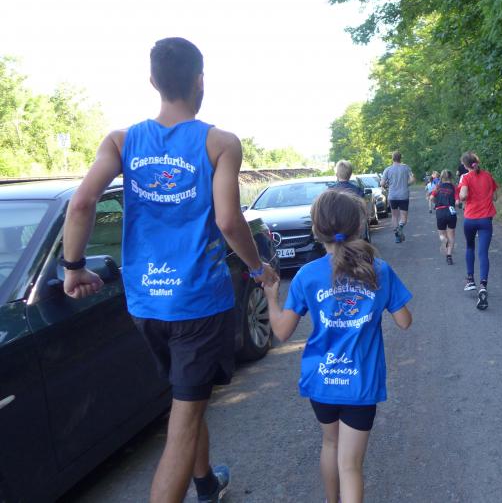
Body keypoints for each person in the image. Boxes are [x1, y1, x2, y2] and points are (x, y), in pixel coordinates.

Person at [61, 37, 277, 503]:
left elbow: (81, 203)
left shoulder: (121, 141)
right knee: (183, 422)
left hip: (146, 304)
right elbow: (228, 220)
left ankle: (207, 484)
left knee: (186, 400)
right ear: (200, 81)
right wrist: (257, 267)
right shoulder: (220, 143)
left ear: (153, 81)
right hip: (198, 303)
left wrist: (72, 267)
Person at [264, 189, 413, 503]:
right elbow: (404, 321)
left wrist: (271, 297)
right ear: (358, 226)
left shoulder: (306, 276)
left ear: (316, 229)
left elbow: (281, 331)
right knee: (351, 465)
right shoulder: (379, 270)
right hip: (361, 384)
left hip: (322, 381)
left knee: (330, 445)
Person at [456, 151, 498, 310]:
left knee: (470, 247)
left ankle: (470, 280)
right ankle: (483, 286)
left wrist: (462, 198)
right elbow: (495, 197)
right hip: (486, 219)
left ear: (465, 165)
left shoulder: (465, 177)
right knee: (483, 253)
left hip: (470, 219)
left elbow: (463, 196)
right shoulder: (488, 176)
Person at [380, 151, 415, 244]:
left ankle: (397, 236)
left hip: (392, 196)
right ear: (400, 158)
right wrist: (406, 184)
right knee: (404, 218)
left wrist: (386, 186)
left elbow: (382, 183)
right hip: (403, 195)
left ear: (392, 158)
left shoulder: (387, 170)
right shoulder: (406, 167)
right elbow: (412, 179)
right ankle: (400, 227)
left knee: (394, 216)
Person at [430, 170, 457, 265]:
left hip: (440, 211)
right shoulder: (454, 187)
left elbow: (431, 198)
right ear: (451, 177)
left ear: (441, 177)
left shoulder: (438, 187)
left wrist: (436, 203)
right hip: (451, 211)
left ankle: (444, 241)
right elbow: (457, 201)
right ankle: (449, 256)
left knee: (442, 234)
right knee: (451, 235)